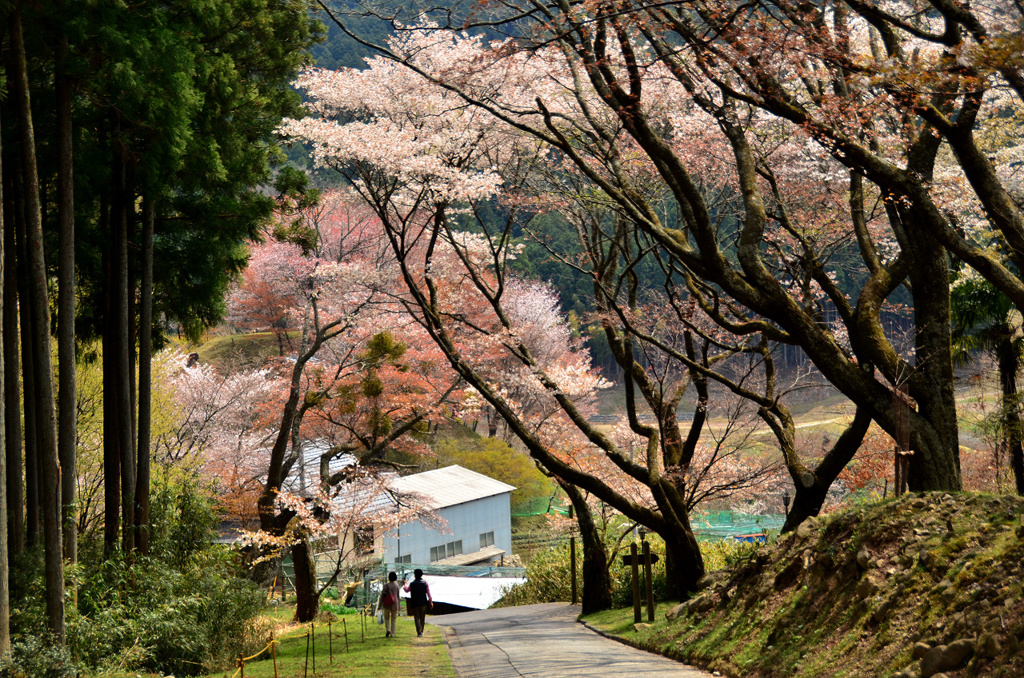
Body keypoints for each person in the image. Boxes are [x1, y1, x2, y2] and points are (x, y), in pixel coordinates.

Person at [403, 568, 433, 636]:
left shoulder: (412, 584)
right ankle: (422, 630)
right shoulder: (425, 583)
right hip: (423, 603)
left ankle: (419, 632)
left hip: (415, 603)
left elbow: (407, 590)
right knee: (422, 617)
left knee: (416, 617)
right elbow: (428, 593)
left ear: (415, 575)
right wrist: (430, 601)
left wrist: (405, 584)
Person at [378, 572, 402, 638]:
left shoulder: (385, 585)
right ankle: (393, 633)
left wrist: (380, 605)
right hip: (395, 604)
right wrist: (399, 605)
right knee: (394, 619)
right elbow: (398, 596)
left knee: (386, 618)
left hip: (387, 604)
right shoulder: (396, 585)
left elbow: (382, 596)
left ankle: (388, 629)